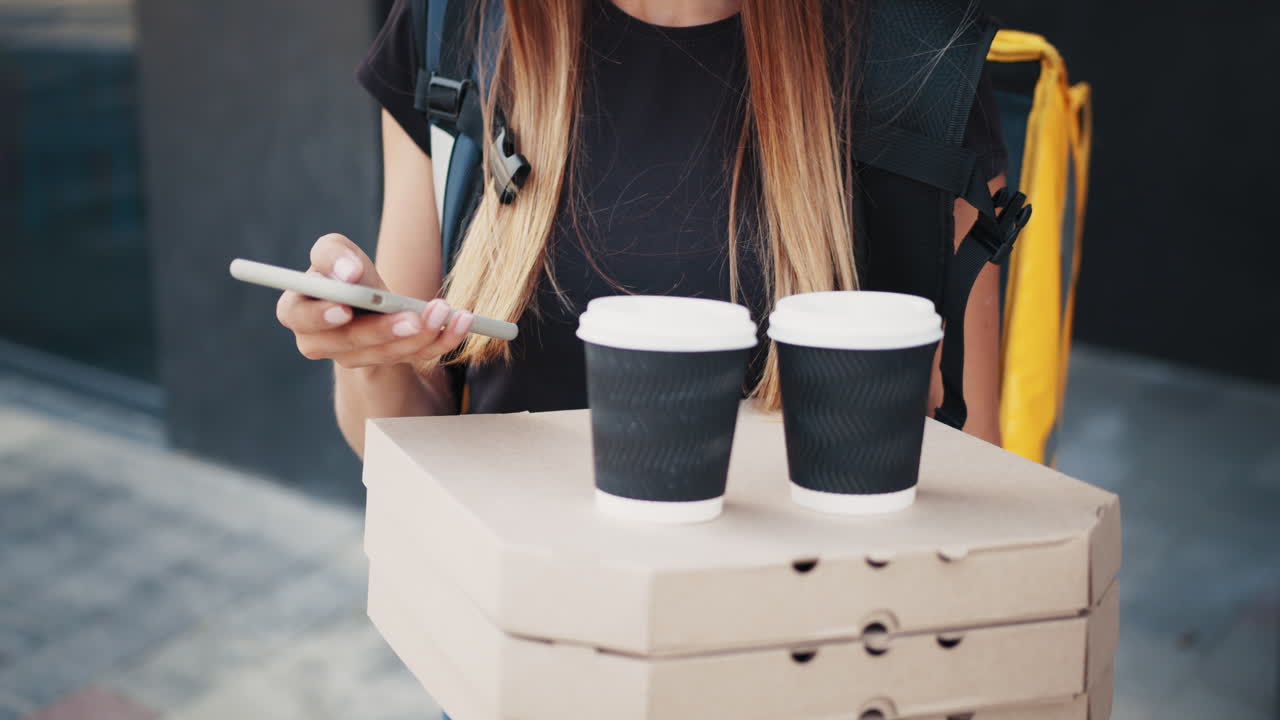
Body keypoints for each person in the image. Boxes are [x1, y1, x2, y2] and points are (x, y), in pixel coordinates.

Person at [275, 0, 1009, 458]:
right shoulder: (454, 23)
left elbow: (977, 466)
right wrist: (370, 356)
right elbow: (401, 442)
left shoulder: (917, 56)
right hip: (516, 657)